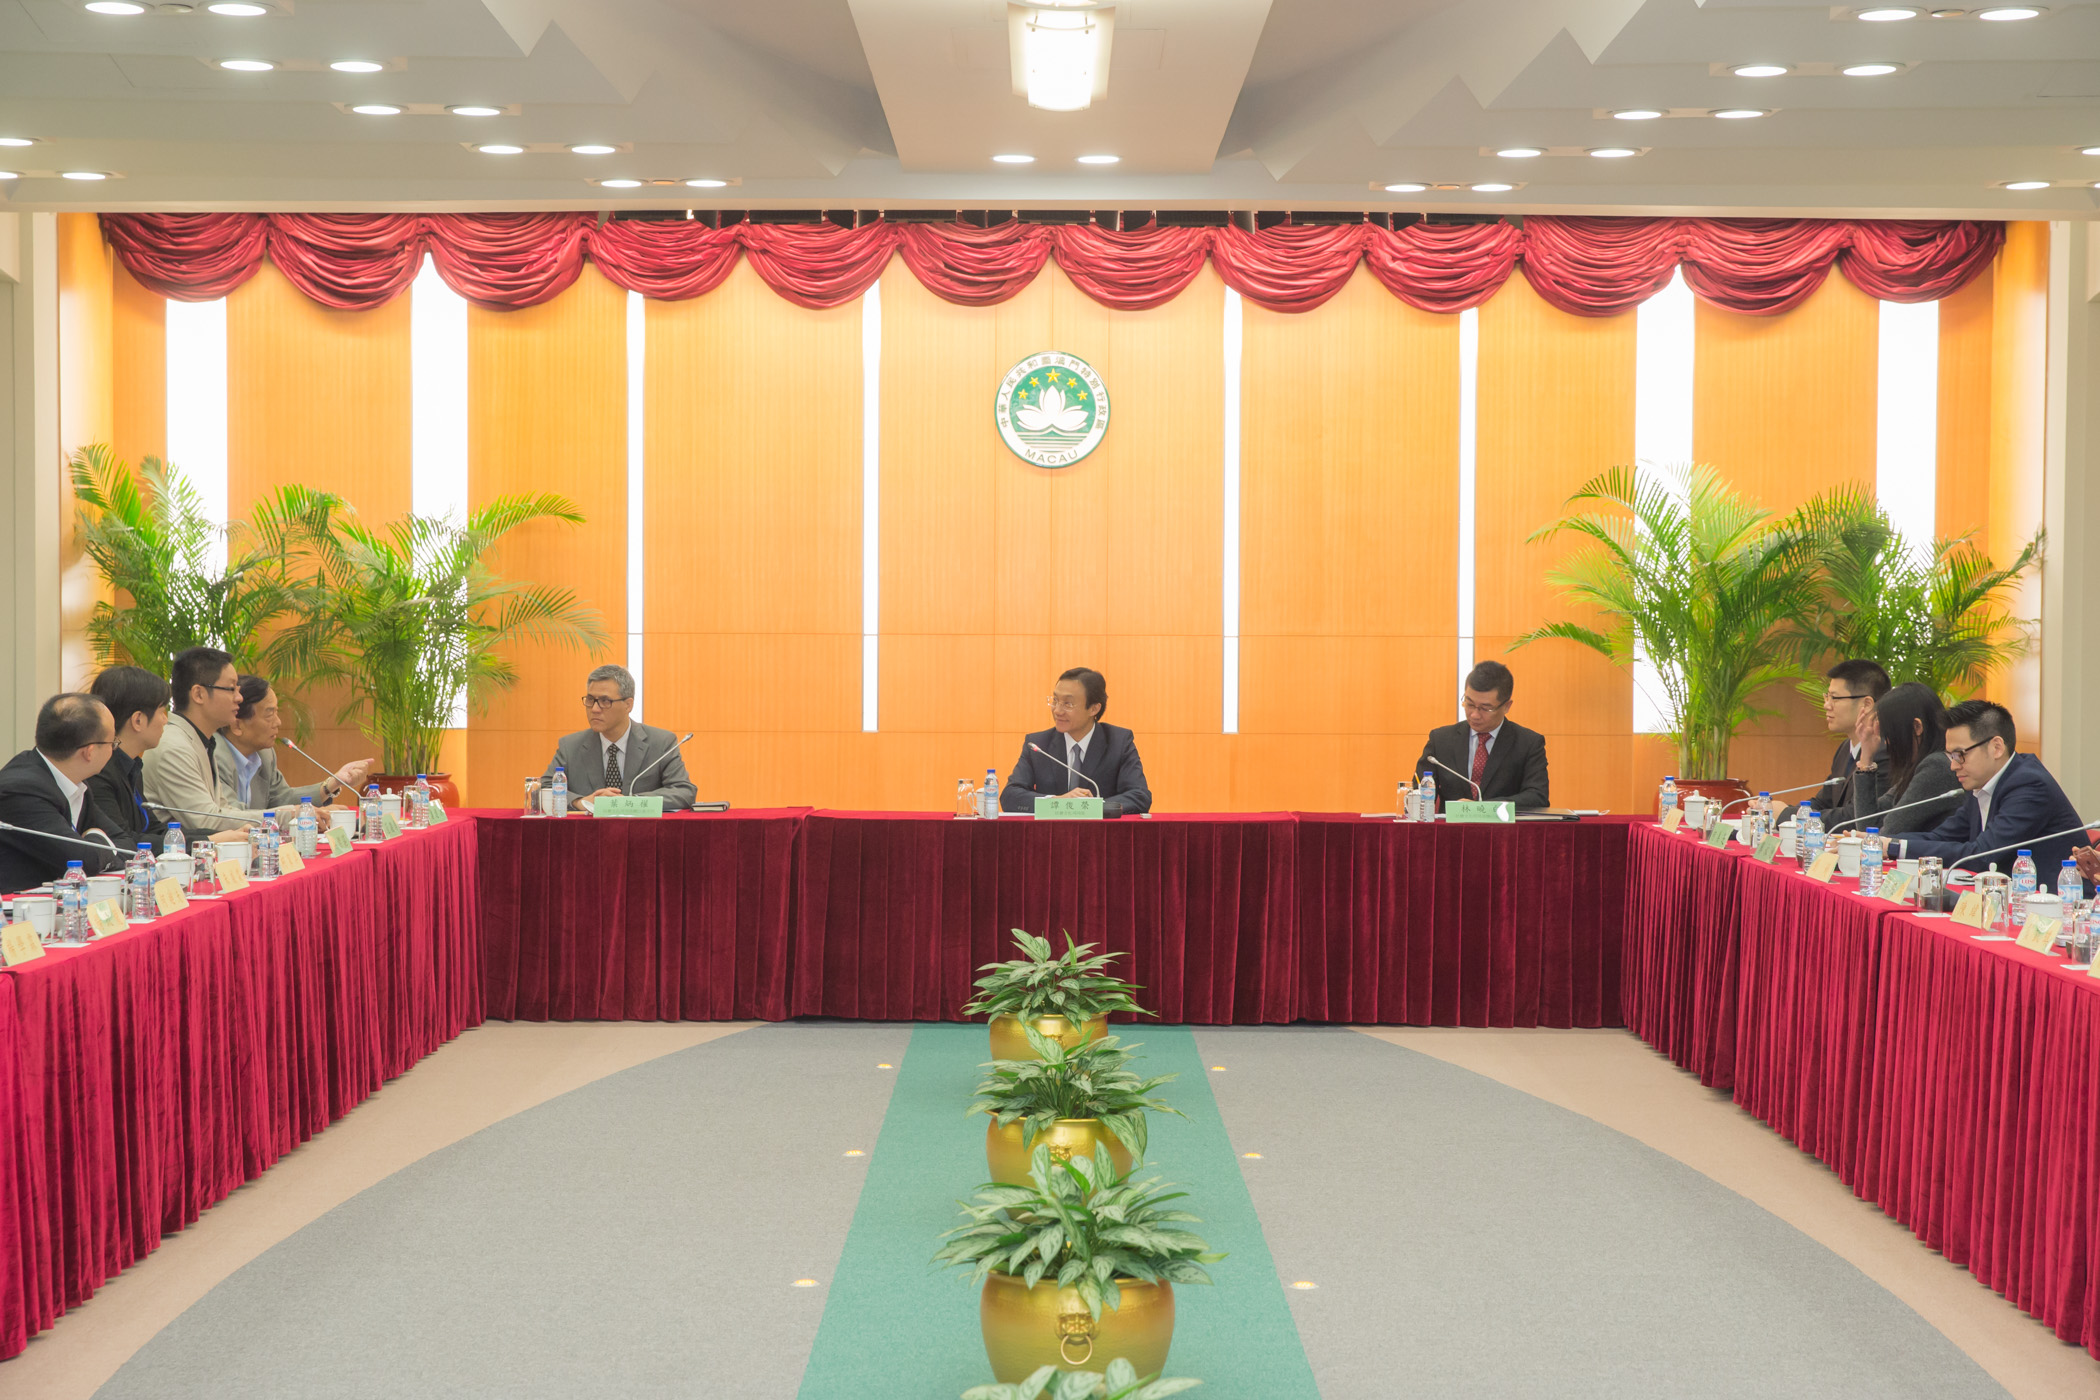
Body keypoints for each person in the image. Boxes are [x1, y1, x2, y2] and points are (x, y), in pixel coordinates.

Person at [1903, 699, 2086, 877]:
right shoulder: (1983, 785)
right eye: (1951, 756)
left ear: (1996, 747)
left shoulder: (2030, 785)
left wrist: (1899, 848)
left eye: (1959, 755)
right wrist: (1891, 844)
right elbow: (1941, 837)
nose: (1953, 766)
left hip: (2060, 895)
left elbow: (1982, 855)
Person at [0, 693, 124, 892]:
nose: (114, 749)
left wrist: (95, 847)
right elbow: (81, 862)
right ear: (89, 752)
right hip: (18, 909)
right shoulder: (21, 791)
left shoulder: (76, 784)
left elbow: (125, 843)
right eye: (113, 743)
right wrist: (98, 838)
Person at [539, 664, 696, 810]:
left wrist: (628, 802)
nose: (594, 709)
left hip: (641, 829)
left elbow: (683, 791)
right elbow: (544, 788)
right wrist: (580, 802)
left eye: (605, 701)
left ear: (628, 705)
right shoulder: (570, 746)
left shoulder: (661, 742)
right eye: (590, 700)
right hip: (589, 830)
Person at [140, 647, 262, 834]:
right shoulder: (173, 747)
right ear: (198, 694)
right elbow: (206, 819)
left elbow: (222, 809)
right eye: (231, 689)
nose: (239, 698)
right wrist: (282, 817)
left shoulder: (200, 739)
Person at [1000, 667, 1152, 817]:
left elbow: (1139, 796)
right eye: (1055, 700)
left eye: (1068, 704)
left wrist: (1088, 808)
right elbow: (1010, 796)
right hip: (1050, 832)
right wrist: (1057, 801)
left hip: (1100, 831)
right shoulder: (1038, 745)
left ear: (1093, 709)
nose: (1057, 710)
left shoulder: (1118, 742)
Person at [213, 675, 368, 812]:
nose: (278, 722)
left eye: (276, 712)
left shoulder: (265, 755)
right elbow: (231, 815)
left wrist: (333, 783)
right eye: (269, 714)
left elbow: (282, 799)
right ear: (237, 725)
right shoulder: (214, 756)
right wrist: (294, 814)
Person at [1415, 660, 1549, 810]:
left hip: (1505, 825)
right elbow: (1418, 790)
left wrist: (1481, 808)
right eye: (1469, 704)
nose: (1474, 715)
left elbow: (1537, 797)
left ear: (1506, 706)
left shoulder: (1528, 744)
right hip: (1452, 825)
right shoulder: (1441, 740)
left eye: (1485, 708)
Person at [1834, 682, 1963, 839]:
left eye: (1890, 735)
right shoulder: (1921, 765)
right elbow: (1869, 825)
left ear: (1917, 727)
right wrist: (1866, 757)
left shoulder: (1936, 767)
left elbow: (1887, 834)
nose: (1887, 743)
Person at [85, 665, 172, 855]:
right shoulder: (99, 771)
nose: (165, 720)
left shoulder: (131, 766)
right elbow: (123, 841)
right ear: (138, 720)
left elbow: (153, 829)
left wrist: (214, 838)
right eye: (162, 711)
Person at [1799, 658, 1892, 823]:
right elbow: (1823, 802)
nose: (1826, 705)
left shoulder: (1885, 750)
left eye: (1834, 698)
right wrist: (1781, 812)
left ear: (1867, 704)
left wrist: (1787, 815)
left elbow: (1853, 817)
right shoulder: (1845, 748)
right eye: (1827, 696)